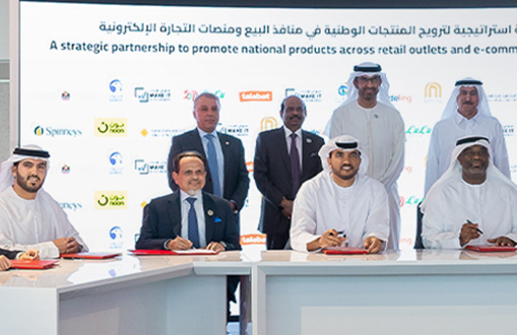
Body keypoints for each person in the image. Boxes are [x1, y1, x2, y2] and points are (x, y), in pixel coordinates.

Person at [421, 135, 517, 335]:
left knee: (515, 300)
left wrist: (510, 239)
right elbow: (428, 238)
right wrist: (458, 238)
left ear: (488, 158)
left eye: (481, 152)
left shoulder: (507, 192)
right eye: (470, 152)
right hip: (455, 272)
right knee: (453, 303)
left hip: (500, 270)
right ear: (459, 158)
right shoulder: (441, 193)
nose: (476, 157)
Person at [288, 136, 396, 335]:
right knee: (307, 308)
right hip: (320, 272)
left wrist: (375, 239)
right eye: (339, 155)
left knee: (391, 304)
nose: (346, 161)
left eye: (352, 155)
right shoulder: (311, 188)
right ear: (329, 160)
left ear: (360, 160)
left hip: (364, 271)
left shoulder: (375, 189)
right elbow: (298, 234)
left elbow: (379, 227)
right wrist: (319, 240)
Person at [325, 62, 405, 250]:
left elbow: (398, 159)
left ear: (380, 83)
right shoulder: (341, 115)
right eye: (364, 80)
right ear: (355, 83)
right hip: (350, 195)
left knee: (386, 247)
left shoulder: (393, 116)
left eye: (374, 80)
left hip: (386, 193)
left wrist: (379, 188)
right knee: (351, 246)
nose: (369, 85)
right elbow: (336, 156)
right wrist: (359, 188)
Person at [0, 145, 86, 258]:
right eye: (28, 165)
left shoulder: (49, 203)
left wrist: (75, 246)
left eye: (40, 167)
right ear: (14, 170)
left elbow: (75, 238)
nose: (34, 172)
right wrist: (52, 248)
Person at [253, 95, 325, 250]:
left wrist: (301, 205)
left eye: (299, 109)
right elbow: (260, 176)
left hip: (309, 217)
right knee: (275, 262)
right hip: (276, 216)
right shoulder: (266, 139)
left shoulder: (317, 142)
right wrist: (283, 203)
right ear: (281, 113)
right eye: (290, 109)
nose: (295, 113)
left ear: (305, 113)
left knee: (307, 262)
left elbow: (321, 177)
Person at [137, 151, 241, 253]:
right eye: (188, 172)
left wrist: (222, 246)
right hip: (173, 263)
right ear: (176, 177)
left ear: (205, 175)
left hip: (211, 263)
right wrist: (168, 244)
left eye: (199, 172)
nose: (195, 177)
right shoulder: (157, 207)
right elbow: (142, 243)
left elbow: (235, 245)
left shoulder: (222, 206)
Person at [167, 92, 251, 213]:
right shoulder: (181, 143)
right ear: (194, 114)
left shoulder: (234, 144)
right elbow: (174, 179)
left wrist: (234, 204)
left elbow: (243, 179)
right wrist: (196, 203)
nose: (210, 113)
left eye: (214, 109)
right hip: (195, 214)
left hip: (228, 214)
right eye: (204, 109)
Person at [424, 78, 510, 195]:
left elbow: (501, 163)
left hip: (485, 194)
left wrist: (505, 195)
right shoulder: (441, 128)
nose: (468, 98)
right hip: (449, 194)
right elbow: (433, 166)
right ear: (456, 97)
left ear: (479, 97)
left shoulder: (492, 126)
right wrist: (430, 197)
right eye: (464, 93)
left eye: (473, 93)